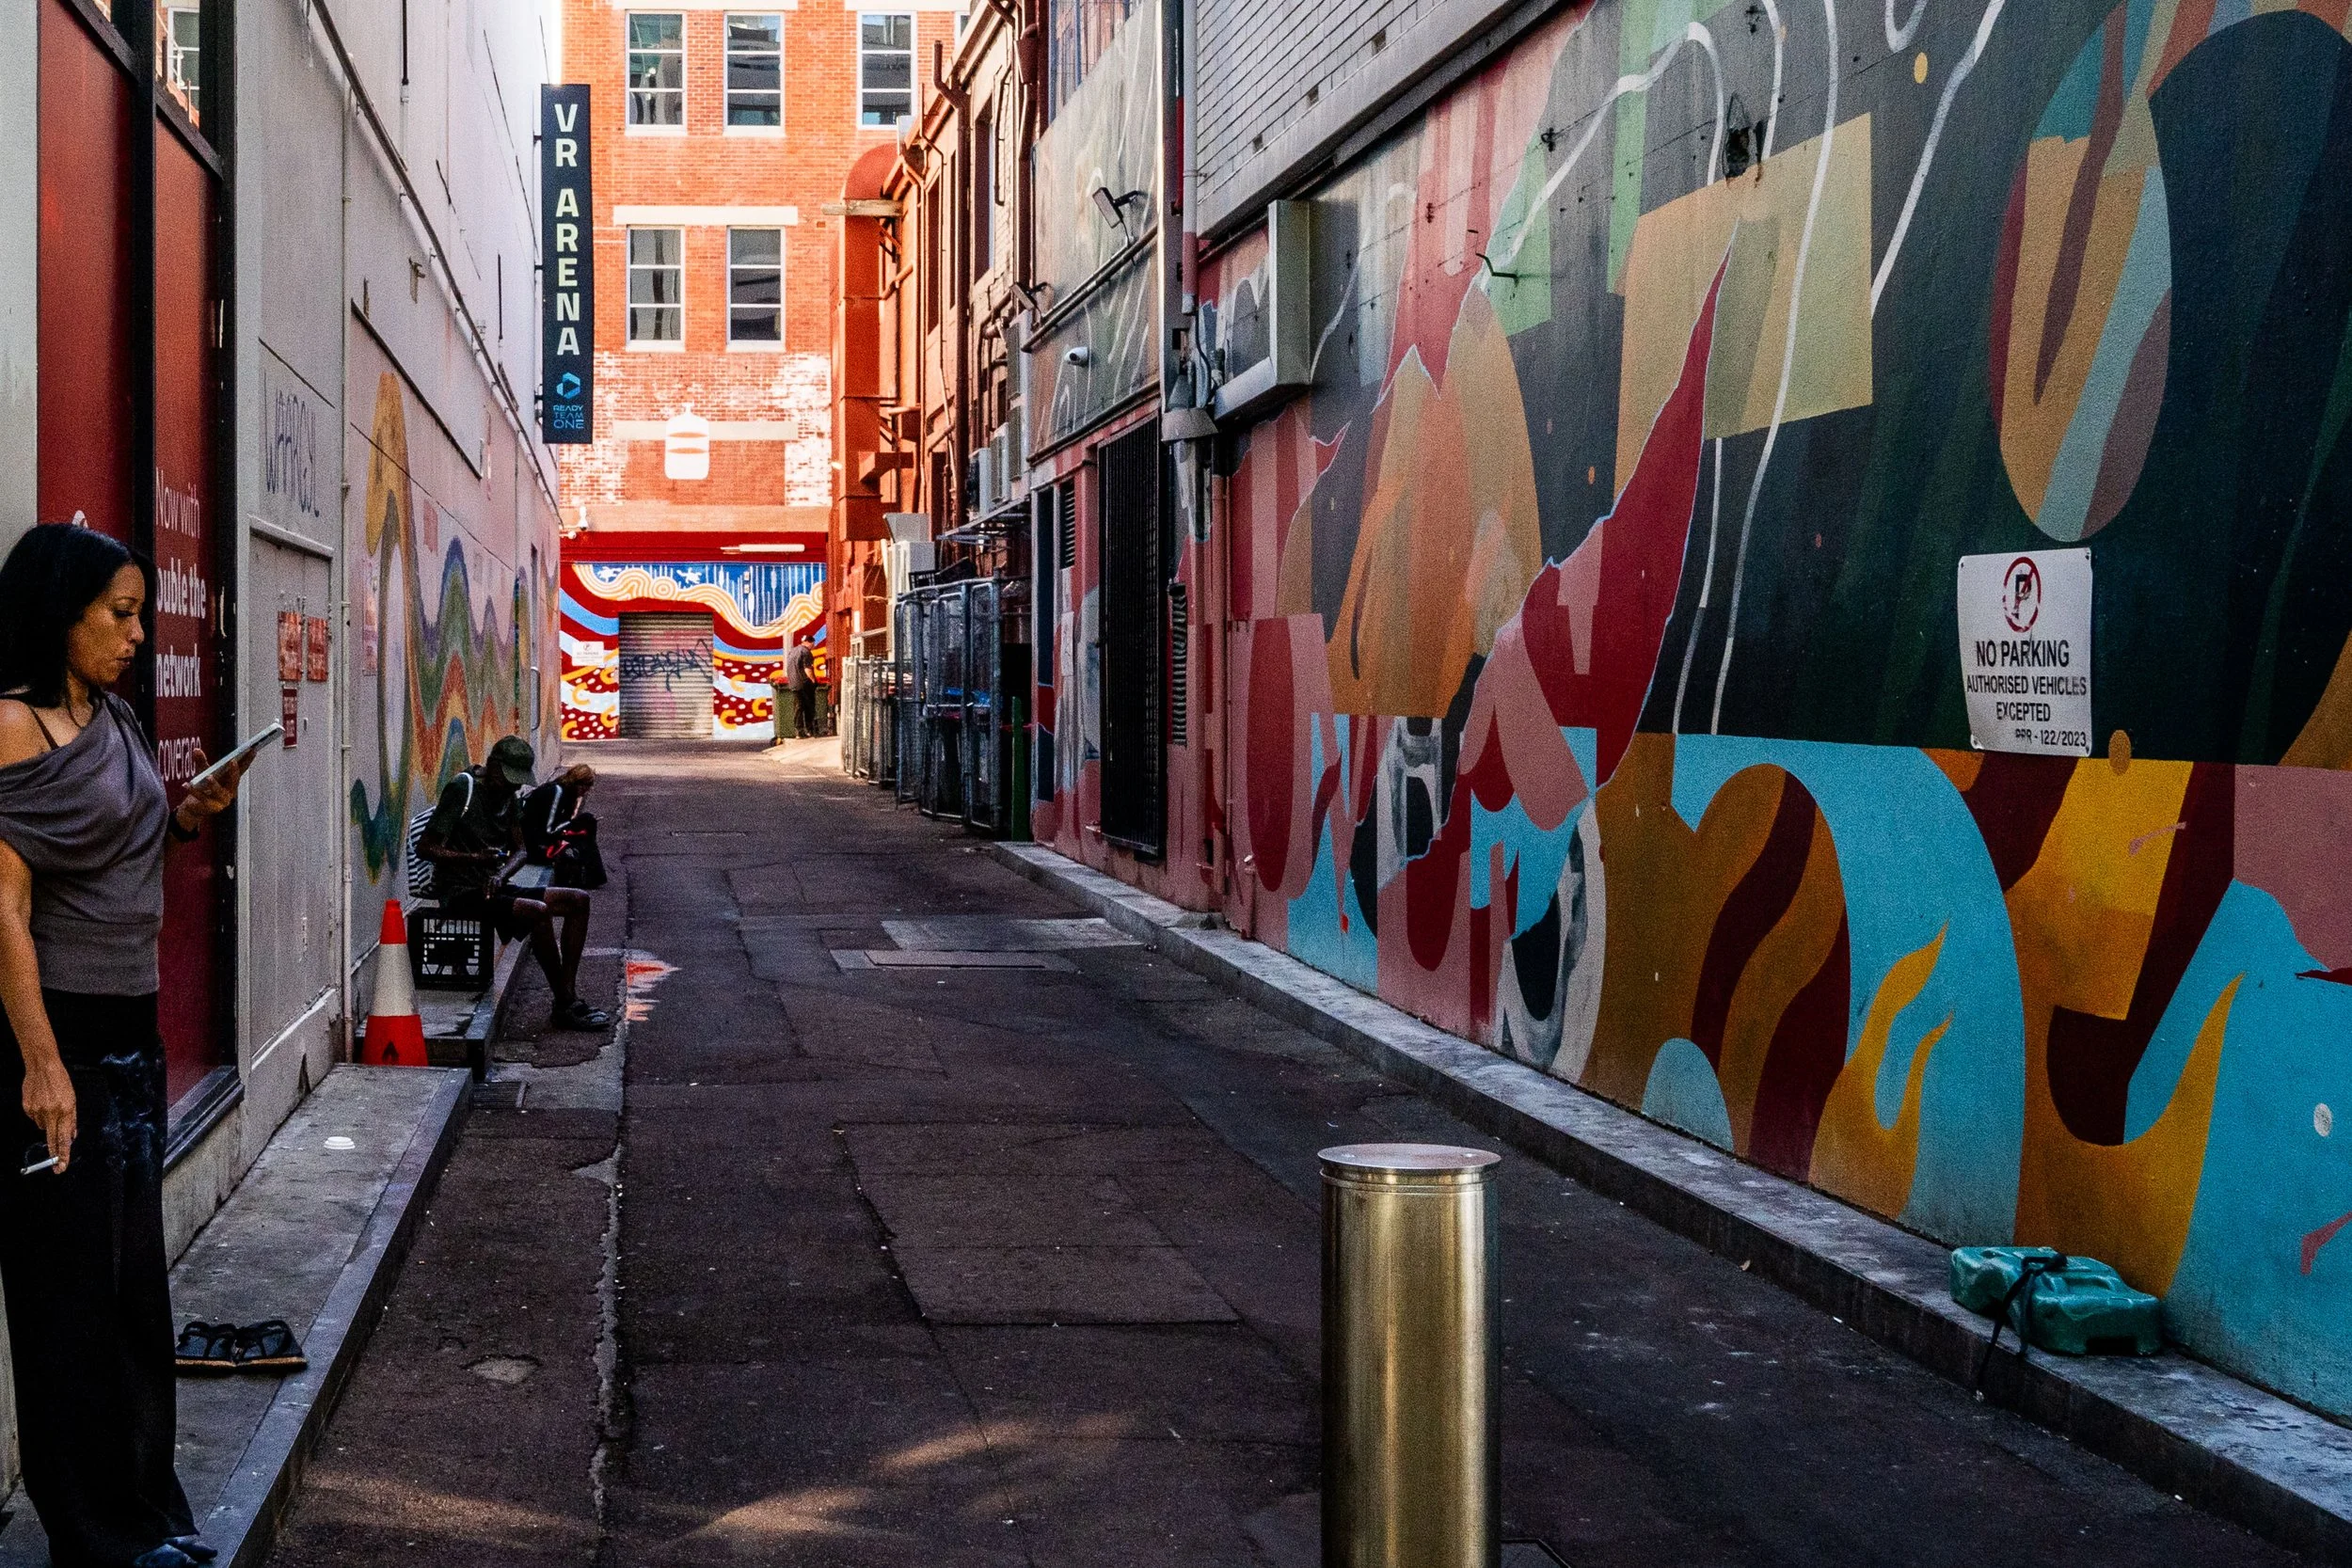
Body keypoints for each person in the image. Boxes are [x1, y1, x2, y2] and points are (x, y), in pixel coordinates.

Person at [0, 522, 249, 1568]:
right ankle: (92, 1534)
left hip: (133, 1036)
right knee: (66, 1304)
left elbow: (125, 840)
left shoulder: (110, 717)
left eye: (143, 611)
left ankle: (147, 1508)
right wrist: (41, 1063)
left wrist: (190, 813)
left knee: (133, 1292)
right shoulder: (11, 730)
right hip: (60, 1037)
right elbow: (4, 911)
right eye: (120, 613)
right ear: (59, 613)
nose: (140, 633)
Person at [417, 737, 610, 1031]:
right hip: (460, 890)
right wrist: (474, 859)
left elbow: (521, 850)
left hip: (493, 885)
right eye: (507, 780)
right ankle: (565, 1002)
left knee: (578, 900)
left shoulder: (507, 795)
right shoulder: (462, 788)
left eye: (516, 783)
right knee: (537, 911)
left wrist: (500, 874)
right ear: (493, 766)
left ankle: (566, 997)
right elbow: (426, 848)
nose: (511, 788)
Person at [521, 763, 607, 891]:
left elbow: (560, 824)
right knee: (586, 822)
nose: (585, 793)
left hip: (542, 838)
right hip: (535, 844)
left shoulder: (567, 794)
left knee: (587, 824)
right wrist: (576, 823)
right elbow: (549, 830)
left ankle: (594, 876)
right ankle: (593, 876)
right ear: (578, 783)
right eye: (585, 788)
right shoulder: (557, 791)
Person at [785, 638, 818, 737]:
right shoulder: (806, 652)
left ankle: (798, 731)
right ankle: (809, 730)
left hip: (794, 683)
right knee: (809, 707)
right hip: (804, 683)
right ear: (810, 642)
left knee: (798, 707)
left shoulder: (792, 651)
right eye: (813, 644)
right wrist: (813, 681)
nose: (814, 646)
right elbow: (807, 669)